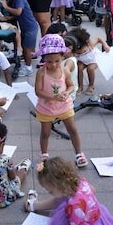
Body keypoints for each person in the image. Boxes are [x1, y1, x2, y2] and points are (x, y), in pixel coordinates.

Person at [33, 34, 84, 165]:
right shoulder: (41, 73)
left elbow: (71, 85)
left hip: (64, 106)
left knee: (72, 129)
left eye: (57, 61)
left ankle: (79, 153)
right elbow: (38, 91)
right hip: (46, 108)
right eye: (49, 61)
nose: (53, 64)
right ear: (44, 58)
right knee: (45, 133)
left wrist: (67, 93)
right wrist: (53, 97)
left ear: (62, 56)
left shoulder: (65, 70)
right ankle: (44, 154)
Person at [0, 0, 38, 77]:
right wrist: (7, 17)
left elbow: (18, 12)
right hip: (26, 28)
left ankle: (29, 68)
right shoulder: (16, 0)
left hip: (30, 28)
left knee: (27, 49)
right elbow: (18, 14)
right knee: (25, 47)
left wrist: (6, 7)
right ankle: (26, 65)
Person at [70, 27, 111, 96]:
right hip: (82, 60)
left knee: (90, 69)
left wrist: (105, 45)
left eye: (82, 51)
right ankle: (80, 85)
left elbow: (99, 39)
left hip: (94, 59)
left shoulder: (90, 45)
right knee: (78, 68)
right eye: (77, 52)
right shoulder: (74, 49)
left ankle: (91, 85)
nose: (79, 53)